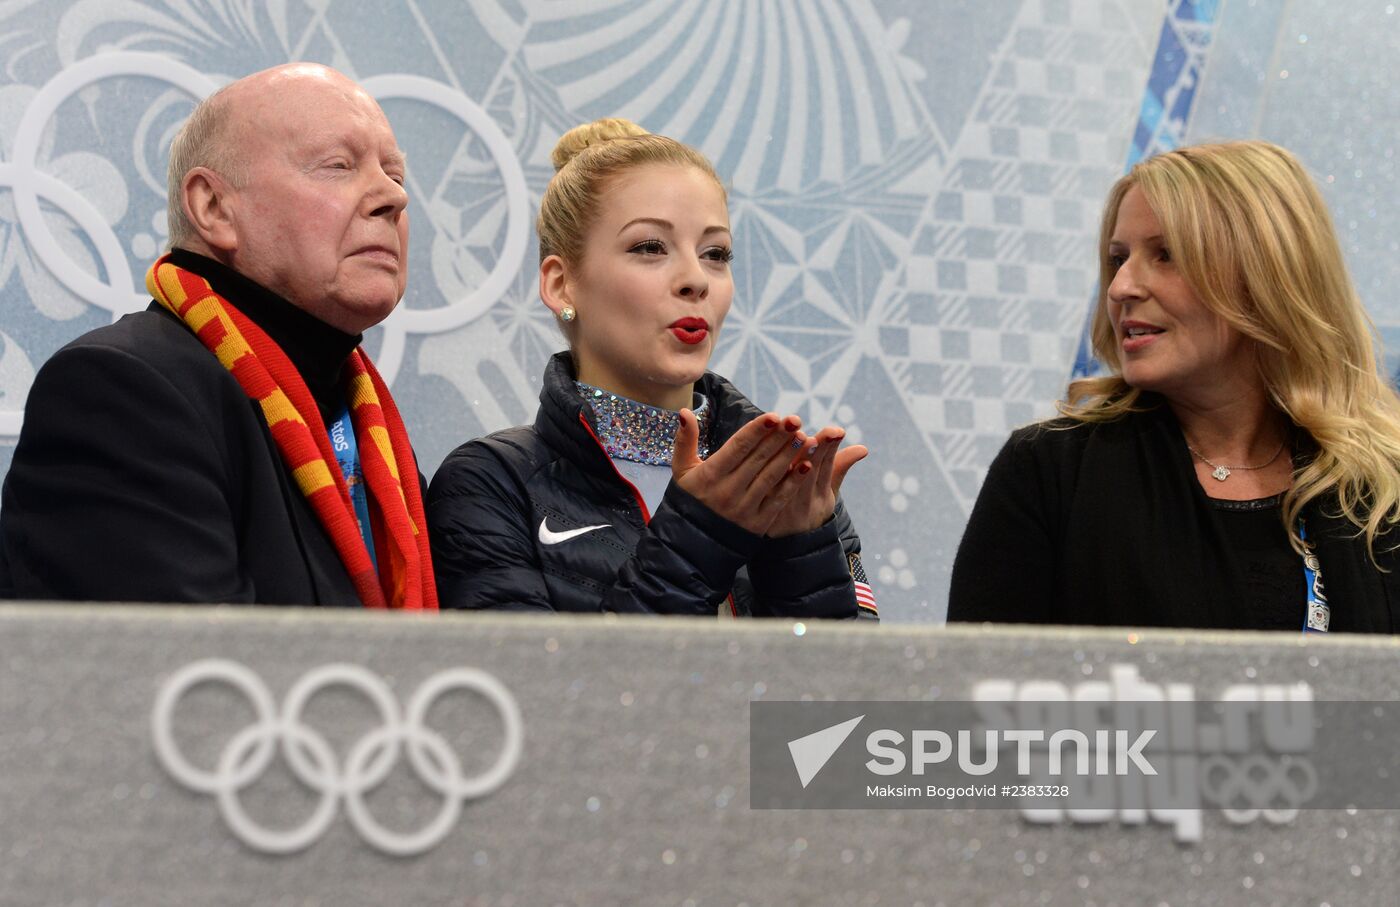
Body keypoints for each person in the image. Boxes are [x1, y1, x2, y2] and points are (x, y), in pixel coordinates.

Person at [0, 63, 436, 609]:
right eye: (338, 166)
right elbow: (186, 681)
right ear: (213, 207)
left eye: (394, 175)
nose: (392, 198)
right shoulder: (119, 392)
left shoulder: (361, 420)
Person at [428, 119, 876, 618]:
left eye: (716, 254)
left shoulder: (791, 482)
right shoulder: (491, 484)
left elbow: (851, 694)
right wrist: (698, 537)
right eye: (649, 247)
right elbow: (532, 693)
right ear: (561, 285)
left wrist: (800, 554)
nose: (695, 280)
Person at [948, 140, 1400, 632]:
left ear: (1269, 274)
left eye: (1166, 254)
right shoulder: (1051, 471)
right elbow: (979, 698)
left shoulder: (1382, 484)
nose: (1121, 287)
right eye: (1118, 258)